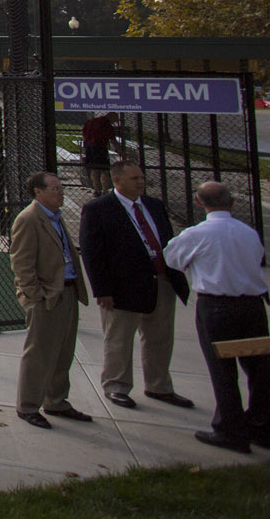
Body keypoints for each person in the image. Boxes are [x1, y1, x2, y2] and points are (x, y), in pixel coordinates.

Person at [162, 180, 270, 453]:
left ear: (199, 202)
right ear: (231, 202)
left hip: (217, 308)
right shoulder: (248, 233)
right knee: (258, 368)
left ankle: (230, 430)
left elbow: (172, 258)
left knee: (223, 370)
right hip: (252, 307)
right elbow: (257, 259)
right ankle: (260, 424)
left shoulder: (197, 234)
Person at [78, 159, 191, 410]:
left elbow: (168, 241)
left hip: (161, 282)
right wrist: (102, 290)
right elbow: (93, 253)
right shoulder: (98, 209)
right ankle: (116, 386)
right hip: (122, 287)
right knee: (119, 338)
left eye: (141, 177)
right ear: (116, 181)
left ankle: (159, 386)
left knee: (160, 338)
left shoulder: (154, 205)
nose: (140, 182)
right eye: (134, 178)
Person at [10, 170, 90, 427]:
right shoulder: (29, 219)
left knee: (64, 351)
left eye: (61, 187)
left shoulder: (55, 218)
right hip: (47, 296)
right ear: (38, 192)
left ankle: (56, 401)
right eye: (55, 188)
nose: (61, 192)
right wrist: (36, 296)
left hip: (67, 291)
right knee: (40, 353)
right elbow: (22, 263)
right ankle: (28, 405)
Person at [81, 111, 121, 194]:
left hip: (89, 147)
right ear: (111, 117)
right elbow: (113, 140)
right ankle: (105, 190)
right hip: (100, 148)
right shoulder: (107, 125)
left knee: (94, 169)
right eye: (115, 120)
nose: (114, 122)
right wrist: (121, 152)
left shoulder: (91, 121)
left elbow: (83, 133)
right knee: (104, 170)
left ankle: (96, 189)